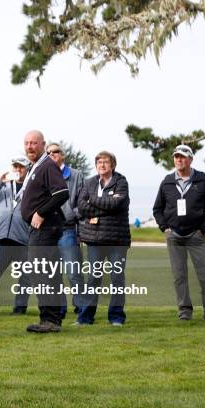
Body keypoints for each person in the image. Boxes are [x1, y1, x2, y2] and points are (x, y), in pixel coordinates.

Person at [153, 144, 205, 323]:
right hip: (174, 236)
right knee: (179, 276)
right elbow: (157, 209)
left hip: (196, 236)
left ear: (190, 159)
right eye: (176, 157)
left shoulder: (204, 181)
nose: (179, 160)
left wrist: (203, 229)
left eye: (182, 157)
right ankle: (184, 311)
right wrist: (164, 228)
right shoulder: (166, 181)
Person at [20, 130, 70, 333]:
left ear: (43, 144)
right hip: (39, 229)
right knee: (45, 273)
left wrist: (40, 212)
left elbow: (62, 193)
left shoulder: (47, 165)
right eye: (26, 143)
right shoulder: (36, 167)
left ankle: (50, 320)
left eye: (34, 143)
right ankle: (50, 319)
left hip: (45, 227)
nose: (30, 146)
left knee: (44, 274)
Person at [76, 151, 130, 326]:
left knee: (117, 279)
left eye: (105, 162)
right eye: (99, 162)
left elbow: (117, 204)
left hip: (117, 240)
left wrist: (94, 201)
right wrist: (104, 203)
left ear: (112, 165)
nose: (102, 165)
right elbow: (82, 207)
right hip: (94, 239)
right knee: (93, 279)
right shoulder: (90, 182)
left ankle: (116, 317)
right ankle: (85, 318)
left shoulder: (121, 182)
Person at [0, 155, 31, 313]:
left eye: (21, 167)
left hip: (22, 237)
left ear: (27, 169)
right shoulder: (3, 187)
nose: (18, 170)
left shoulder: (31, 188)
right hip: (0, 236)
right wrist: (0, 180)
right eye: (16, 167)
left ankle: (20, 307)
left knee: (25, 275)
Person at [47, 142, 85, 318]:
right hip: (49, 230)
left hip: (68, 229)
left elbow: (84, 203)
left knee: (73, 272)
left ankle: (81, 307)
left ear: (63, 155)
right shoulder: (43, 174)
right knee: (53, 274)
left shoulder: (76, 175)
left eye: (55, 152)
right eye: (48, 152)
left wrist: (69, 215)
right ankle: (59, 308)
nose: (52, 154)